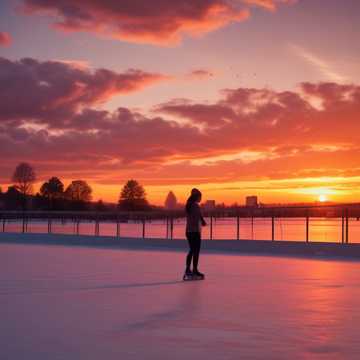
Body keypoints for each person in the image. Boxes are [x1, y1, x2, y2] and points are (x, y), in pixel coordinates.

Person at [184, 188, 206, 278]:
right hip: (195, 231)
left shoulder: (188, 205)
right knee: (195, 251)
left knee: (192, 250)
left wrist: (202, 220)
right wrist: (202, 221)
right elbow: (197, 216)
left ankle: (188, 269)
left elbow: (197, 216)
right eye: (200, 197)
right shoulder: (195, 206)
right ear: (197, 197)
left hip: (189, 231)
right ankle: (194, 270)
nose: (201, 199)